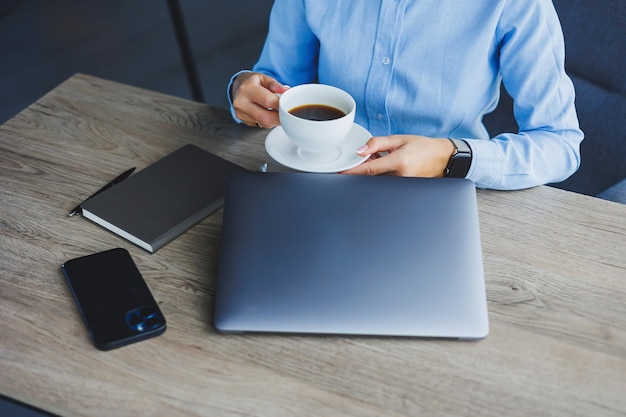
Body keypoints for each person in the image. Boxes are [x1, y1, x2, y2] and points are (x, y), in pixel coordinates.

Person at [228, 0, 584, 190]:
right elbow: (278, 82)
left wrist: (452, 157)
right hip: (316, 181)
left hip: (447, 191)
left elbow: (560, 144)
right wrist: (245, 91)